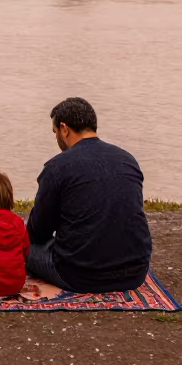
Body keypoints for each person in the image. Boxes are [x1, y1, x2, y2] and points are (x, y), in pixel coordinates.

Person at [26, 97, 152, 293]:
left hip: (79, 275)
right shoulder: (127, 159)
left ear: (64, 128)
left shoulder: (57, 167)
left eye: (55, 132)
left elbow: (37, 232)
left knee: (20, 247)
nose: (57, 138)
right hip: (134, 272)